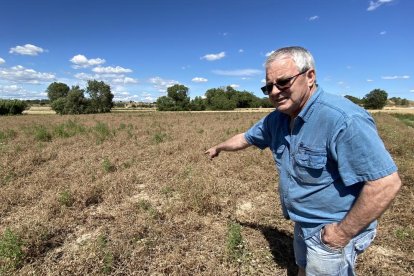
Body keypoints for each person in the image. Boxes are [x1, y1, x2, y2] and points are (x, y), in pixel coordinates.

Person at [205, 46, 401, 276]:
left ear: (310, 77)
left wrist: (341, 233)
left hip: (332, 227)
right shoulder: (277, 119)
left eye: (283, 82)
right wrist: (218, 147)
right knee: (303, 268)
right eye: (268, 87)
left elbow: (386, 183)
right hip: (302, 221)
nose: (275, 91)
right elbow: (246, 138)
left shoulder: (343, 119)